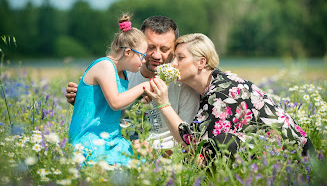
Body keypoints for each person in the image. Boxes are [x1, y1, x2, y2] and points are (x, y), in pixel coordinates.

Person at [144, 33, 314, 164]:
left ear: (201, 62)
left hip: (294, 157)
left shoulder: (222, 93)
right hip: (274, 151)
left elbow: (192, 144)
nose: (173, 63)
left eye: (180, 58)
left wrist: (163, 103)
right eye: (174, 58)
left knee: (218, 145)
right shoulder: (214, 82)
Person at [66, 16, 200, 154]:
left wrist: (155, 155)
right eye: (150, 47)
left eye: (164, 49)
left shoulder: (184, 84)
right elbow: (111, 107)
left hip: (161, 156)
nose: (157, 55)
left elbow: (188, 144)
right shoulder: (122, 72)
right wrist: (89, 98)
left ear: (174, 51)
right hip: (115, 146)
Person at [68, 14, 151, 166]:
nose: (144, 60)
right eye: (142, 55)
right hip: (89, 139)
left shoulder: (122, 73)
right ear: (127, 52)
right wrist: (144, 87)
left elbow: (115, 111)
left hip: (111, 139)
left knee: (144, 163)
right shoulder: (105, 66)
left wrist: (140, 101)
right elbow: (115, 102)